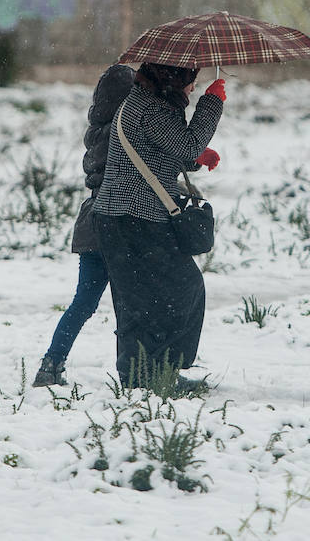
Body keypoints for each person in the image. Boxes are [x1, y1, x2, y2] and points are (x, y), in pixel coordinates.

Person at [92, 62, 225, 389]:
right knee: (180, 289)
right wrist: (212, 102)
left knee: (141, 299)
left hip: (124, 216)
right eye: (191, 82)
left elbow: (164, 147)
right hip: (132, 217)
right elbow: (187, 142)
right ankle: (152, 375)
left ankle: (146, 374)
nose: (192, 88)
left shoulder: (150, 103)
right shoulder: (151, 108)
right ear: (173, 79)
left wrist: (197, 158)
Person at [33, 64, 136, 387]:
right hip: (115, 222)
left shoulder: (97, 129)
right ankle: (136, 371)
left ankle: (51, 364)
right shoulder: (123, 131)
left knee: (83, 302)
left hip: (91, 222)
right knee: (131, 304)